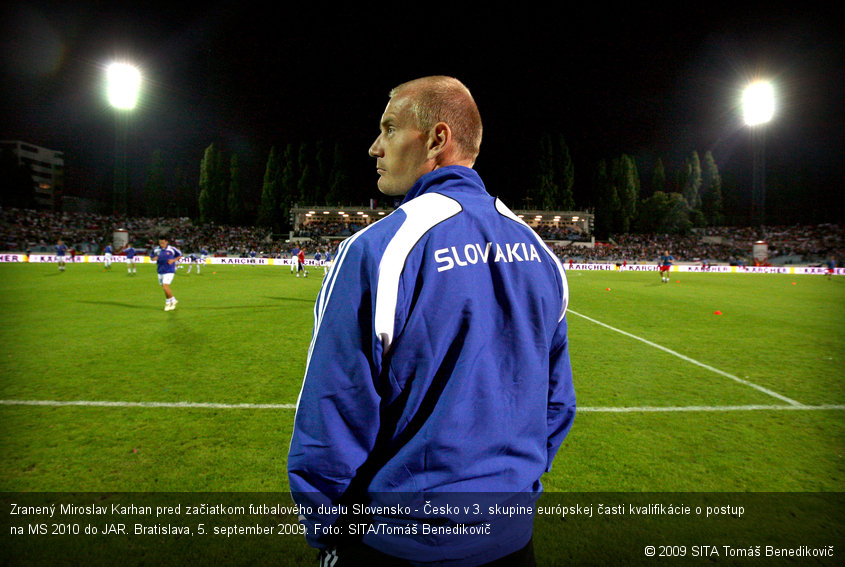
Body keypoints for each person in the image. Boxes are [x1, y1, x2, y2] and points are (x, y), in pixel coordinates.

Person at [288, 76, 575, 567]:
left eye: (390, 128)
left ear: (437, 140)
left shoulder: (377, 250)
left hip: (398, 546)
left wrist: (328, 533)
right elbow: (556, 403)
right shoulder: (538, 252)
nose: (375, 147)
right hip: (511, 541)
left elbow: (331, 415)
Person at [150, 235, 181, 311]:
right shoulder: (156, 249)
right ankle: (168, 302)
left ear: (166, 242)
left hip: (169, 270)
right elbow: (151, 257)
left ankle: (173, 300)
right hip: (160, 270)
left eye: (163, 243)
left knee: (165, 286)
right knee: (164, 288)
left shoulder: (171, 249)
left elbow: (179, 255)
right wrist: (155, 258)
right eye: (160, 243)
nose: (161, 244)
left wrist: (173, 260)